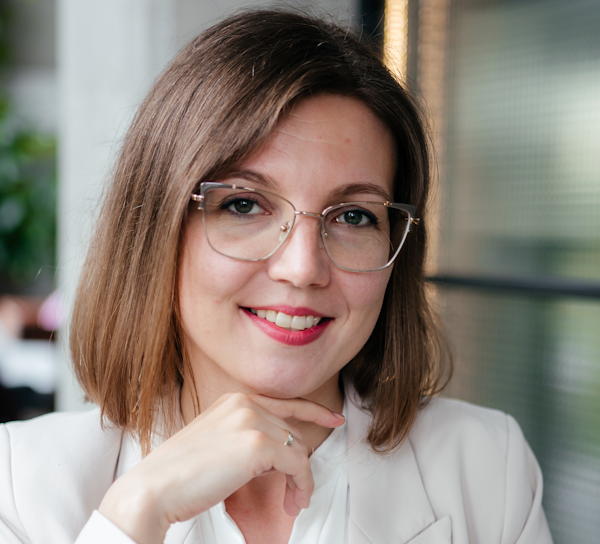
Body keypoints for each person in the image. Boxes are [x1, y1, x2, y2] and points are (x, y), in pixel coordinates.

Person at [0, 9, 553, 544]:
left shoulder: (487, 467)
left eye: (353, 216)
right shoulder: (20, 484)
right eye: (244, 205)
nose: (302, 268)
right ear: (157, 228)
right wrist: (137, 513)